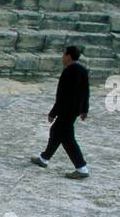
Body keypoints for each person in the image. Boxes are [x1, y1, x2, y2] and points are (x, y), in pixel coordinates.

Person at [30, 45, 90, 179]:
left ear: (69, 56)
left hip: (66, 110)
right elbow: (86, 92)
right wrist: (84, 109)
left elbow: (63, 96)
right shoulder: (82, 70)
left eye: (63, 54)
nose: (62, 57)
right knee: (56, 132)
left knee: (67, 139)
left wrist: (53, 112)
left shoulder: (69, 72)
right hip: (74, 110)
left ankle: (81, 168)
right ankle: (44, 158)